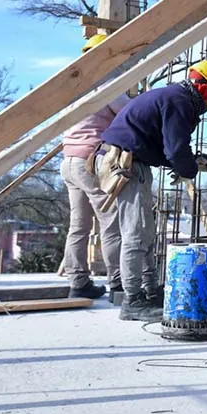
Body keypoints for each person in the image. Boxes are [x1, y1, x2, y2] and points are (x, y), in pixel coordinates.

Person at [98, 59, 207, 322]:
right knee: (136, 234)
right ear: (205, 90)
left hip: (131, 161)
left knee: (145, 230)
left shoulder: (171, 97)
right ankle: (132, 300)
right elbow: (176, 149)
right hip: (126, 164)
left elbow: (167, 146)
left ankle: (149, 292)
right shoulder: (180, 103)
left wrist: (188, 162)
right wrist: (189, 167)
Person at [59, 34, 129, 301]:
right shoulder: (106, 85)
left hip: (68, 161)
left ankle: (78, 282)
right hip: (90, 161)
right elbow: (128, 112)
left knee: (78, 226)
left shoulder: (75, 86)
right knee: (111, 222)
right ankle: (118, 284)